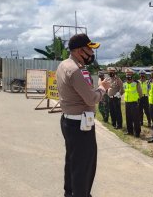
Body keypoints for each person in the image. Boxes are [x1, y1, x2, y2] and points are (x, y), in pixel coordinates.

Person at [57, 33, 110, 197]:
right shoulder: (75, 70)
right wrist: (102, 88)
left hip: (69, 121)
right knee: (84, 165)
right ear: (80, 51)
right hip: (80, 125)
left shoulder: (64, 65)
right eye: (90, 50)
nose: (92, 54)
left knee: (72, 160)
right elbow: (91, 99)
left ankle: (70, 192)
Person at [123, 68, 142, 137]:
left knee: (136, 118)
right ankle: (130, 131)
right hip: (127, 103)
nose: (128, 75)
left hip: (134, 103)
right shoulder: (124, 83)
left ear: (132, 75)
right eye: (127, 74)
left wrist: (137, 100)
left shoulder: (136, 83)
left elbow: (140, 93)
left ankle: (137, 132)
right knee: (128, 118)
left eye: (129, 74)